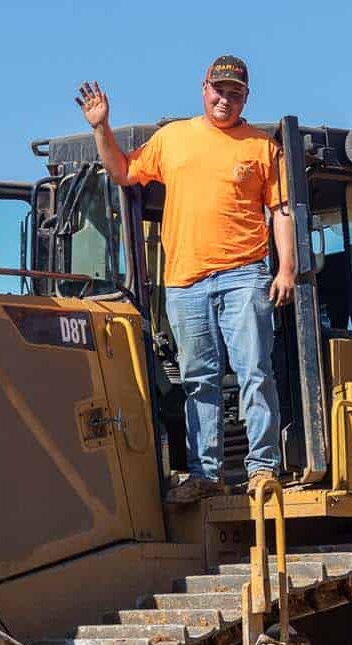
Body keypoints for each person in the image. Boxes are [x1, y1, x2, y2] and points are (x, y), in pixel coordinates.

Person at [76, 56, 295, 503]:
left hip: (244, 275)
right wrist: (101, 126)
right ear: (204, 88)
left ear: (245, 98)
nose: (225, 100)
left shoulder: (262, 147)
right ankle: (205, 473)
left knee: (254, 371)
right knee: (199, 379)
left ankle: (261, 468)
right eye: (219, 90)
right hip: (184, 282)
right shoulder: (172, 139)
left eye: (235, 94)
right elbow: (121, 171)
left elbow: (281, 211)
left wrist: (286, 268)